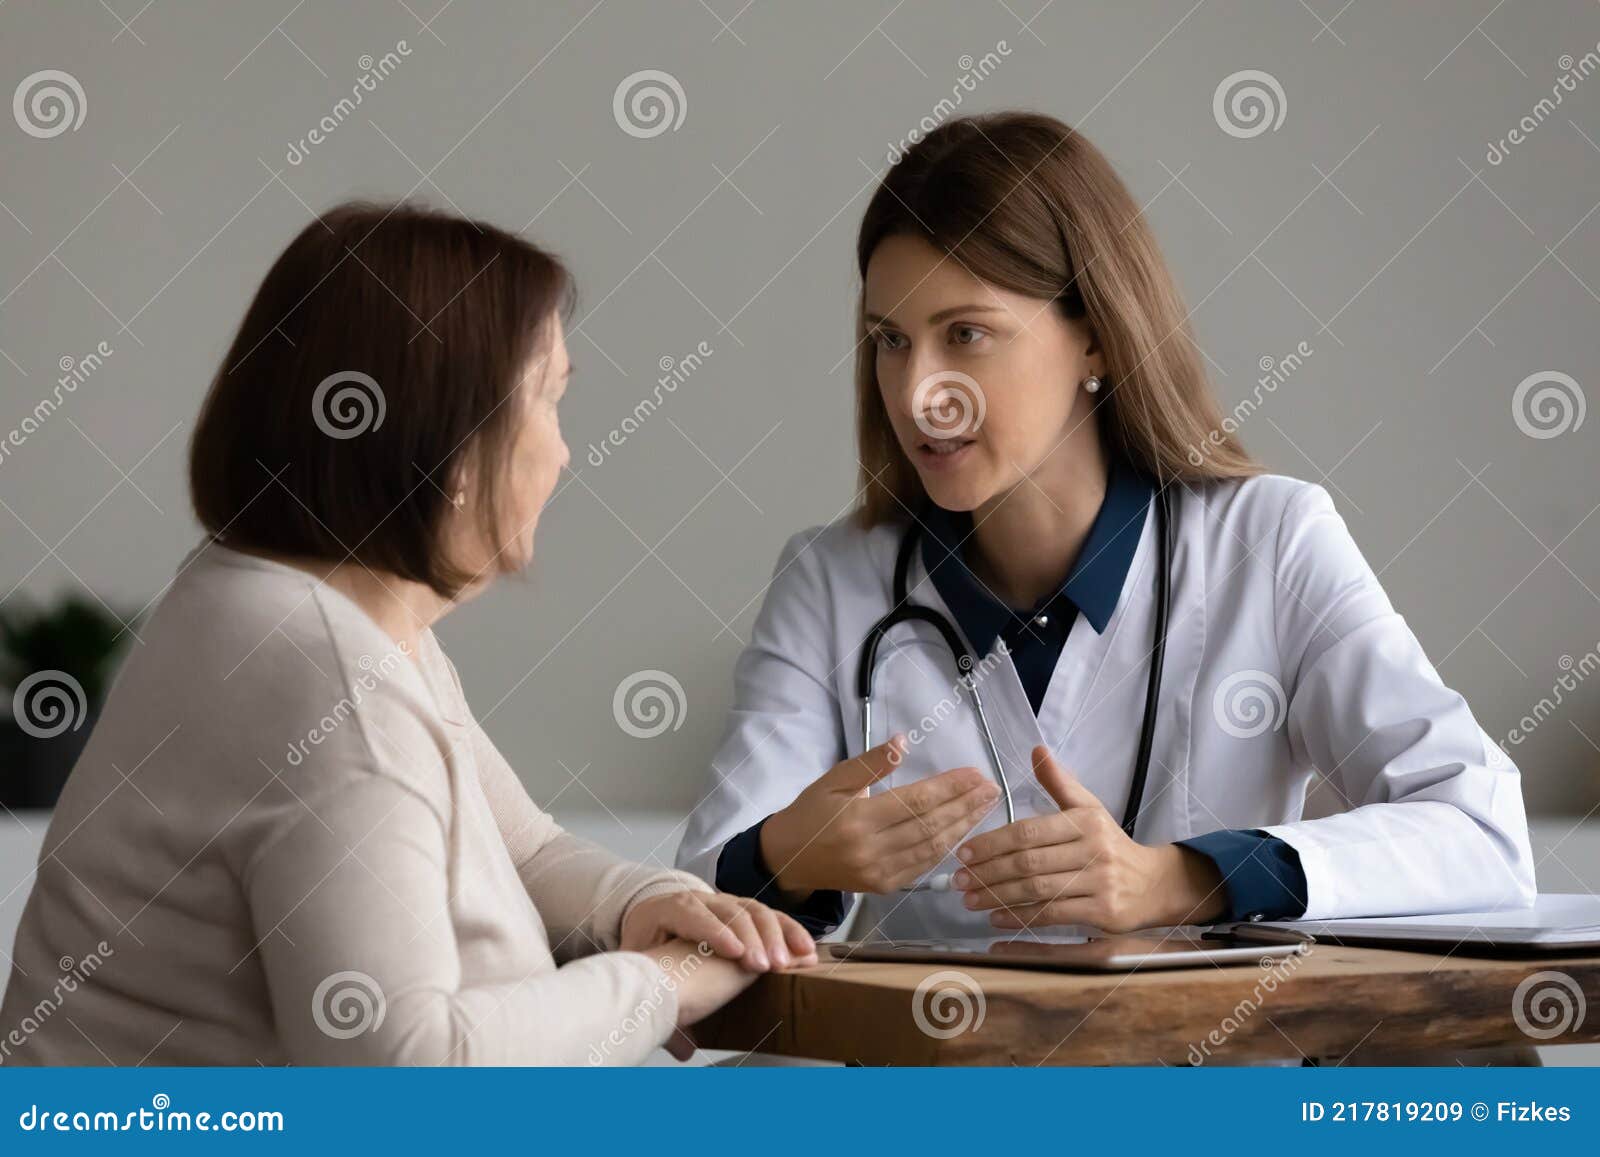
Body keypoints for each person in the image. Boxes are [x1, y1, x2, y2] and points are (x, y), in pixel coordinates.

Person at [677, 112, 1535, 944]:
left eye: (966, 334)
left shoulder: (1270, 542)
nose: (916, 394)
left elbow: (1482, 832)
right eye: (891, 340)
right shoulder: (832, 582)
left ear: (1095, 338)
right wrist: (789, 858)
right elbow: (698, 901)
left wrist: (1176, 879)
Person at [0, 202, 813, 1066]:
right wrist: (660, 986)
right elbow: (405, 1074)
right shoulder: (330, 679)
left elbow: (524, 846)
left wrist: (636, 900)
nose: (565, 453)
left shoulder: (280, 602)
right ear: (456, 448)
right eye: (549, 402)